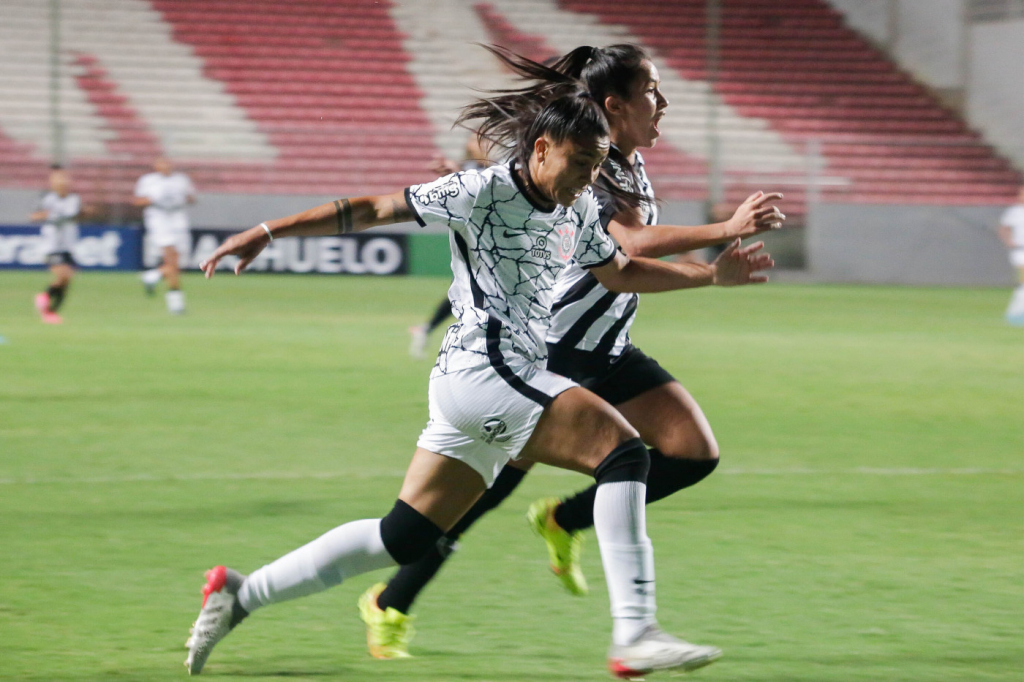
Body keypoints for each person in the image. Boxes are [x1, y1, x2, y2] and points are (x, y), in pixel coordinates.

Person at [184, 67, 773, 678]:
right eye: (579, 163)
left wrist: (712, 275)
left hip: (485, 383)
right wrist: (266, 231)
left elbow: (620, 271)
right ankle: (635, 632)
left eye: (598, 165)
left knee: (404, 537)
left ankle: (240, 594)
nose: (588, 179)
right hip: (485, 370)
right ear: (541, 149)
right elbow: (373, 207)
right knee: (622, 453)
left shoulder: (576, 207)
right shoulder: (481, 191)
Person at [360, 44, 785, 663]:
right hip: (553, 350)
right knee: (478, 494)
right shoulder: (594, 163)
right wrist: (723, 231)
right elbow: (630, 245)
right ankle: (389, 604)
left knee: (692, 452)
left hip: (608, 348)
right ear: (616, 105)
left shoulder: (630, 164)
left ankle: (565, 521)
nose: (663, 103)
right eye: (653, 91)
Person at [409, 134, 500, 358]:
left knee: (463, 292)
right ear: (468, 146)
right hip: (480, 245)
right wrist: (454, 173)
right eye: (478, 140)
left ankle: (427, 330)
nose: (485, 144)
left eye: (487, 140)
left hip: (493, 244)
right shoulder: (470, 171)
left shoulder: (497, 170)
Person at [134, 157, 196, 314]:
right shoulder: (148, 180)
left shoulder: (181, 180)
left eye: (167, 163)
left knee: (179, 263)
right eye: (161, 163)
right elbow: (138, 201)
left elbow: (192, 198)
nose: (165, 166)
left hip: (178, 220)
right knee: (171, 260)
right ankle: (176, 304)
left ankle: (152, 275)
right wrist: (153, 198)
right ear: (156, 165)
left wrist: (184, 197)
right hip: (158, 220)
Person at [31, 167, 84, 324]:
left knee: (67, 281)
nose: (62, 182)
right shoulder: (46, 198)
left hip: (69, 245)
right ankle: (44, 297)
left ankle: (51, 312)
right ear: (52, 182)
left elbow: (78, 215)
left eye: (64, 178)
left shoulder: (74, 198)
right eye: (58, 179)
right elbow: (34, 216)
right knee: (63, 275)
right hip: (52, 245)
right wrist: (47, 215)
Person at [998, 184, 1024, 325]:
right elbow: (1004, 228)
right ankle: (1016, 316)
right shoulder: (1014, 211)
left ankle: (1015, 313)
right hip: (1020, 250)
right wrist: (1008, 241)